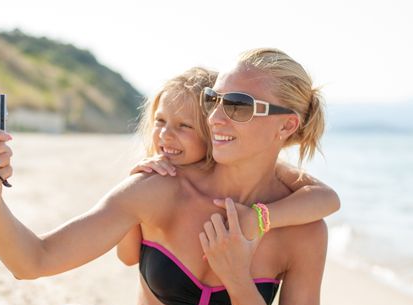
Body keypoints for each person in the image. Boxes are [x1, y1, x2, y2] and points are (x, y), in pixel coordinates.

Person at [0, 48, 334, 305]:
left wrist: (238, 280)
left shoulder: (302, 231)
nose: (216, 117)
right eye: (212, 101)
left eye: (237, 105)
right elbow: (33, 261)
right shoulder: (159, 188)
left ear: (287, 125)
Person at [117, 67, 339, 266]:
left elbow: (327, 198)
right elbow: (128, 257)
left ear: (208, 131)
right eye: (160, 121)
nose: (166, 135)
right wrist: (133, 193)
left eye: (185, 125)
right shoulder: (155, 181)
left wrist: (258, 218)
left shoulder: (273, 170)